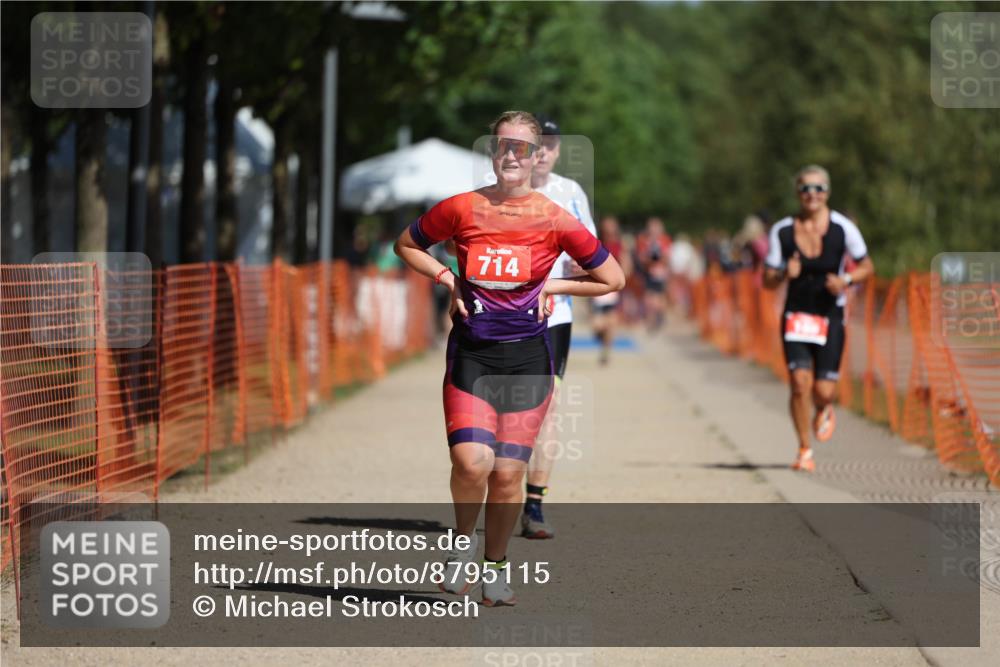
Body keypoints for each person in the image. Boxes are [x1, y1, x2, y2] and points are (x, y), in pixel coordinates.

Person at [394, 111, 624, 606]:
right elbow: (407, 244)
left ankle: (495, 566)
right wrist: (447, 278)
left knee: (505, 475)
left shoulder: (554, 216)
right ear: (493, 152)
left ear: (537, 153)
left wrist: (555, 284)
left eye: (522, 147)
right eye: (504, 146)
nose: (512, 155)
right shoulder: (461, 208)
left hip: (526, 359)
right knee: (471, 462)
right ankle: (461, 548)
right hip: (472, 355)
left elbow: (613, 278)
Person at [763, 165, 874, 472]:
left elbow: (867, 266)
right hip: (796, 315)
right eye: (806, 189)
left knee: (824, 390)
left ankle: (823, 408)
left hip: (830, 314)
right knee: (799, 384)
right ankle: (804, 450)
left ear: (827, 192)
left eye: (819, 188)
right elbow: (767, 280)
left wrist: (847, 280)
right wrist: (786, 272)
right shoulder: (783, 231)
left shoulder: (843, 228)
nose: (812, 195)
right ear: (797, 193)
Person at [520, 114, 597, 540]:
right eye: (537, 144)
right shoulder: (507, 193)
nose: (544, 152)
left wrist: (571, 267)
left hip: (555, 317)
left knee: (546, 409)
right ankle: (497, 495)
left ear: (558, 150)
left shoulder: (571, 193)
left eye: (550, 144)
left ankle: (534, 506)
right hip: (504, 316)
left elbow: (593, 252)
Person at [590, 216, 628, 365]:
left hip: (613, 290)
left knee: (611, 324)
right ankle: (600, 335)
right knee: (598, 325)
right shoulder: (597, 243)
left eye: (612, 227)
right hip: (598, 289)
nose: (610, 231)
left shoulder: (619, 245)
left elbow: (626, 265)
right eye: (607, 227)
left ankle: (605, 352)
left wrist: (622, 277)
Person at [636, 217, 671, 332]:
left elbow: (667, 257)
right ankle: (650, 321)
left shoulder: (665, 240)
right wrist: (650, 258)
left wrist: (659, 257)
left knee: (659, 299)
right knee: (648, 298)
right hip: (648, 273)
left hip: (660, 274)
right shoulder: (643, 240)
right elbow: (641, 257)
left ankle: (659, 316)